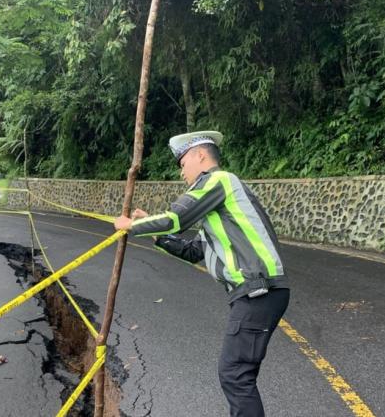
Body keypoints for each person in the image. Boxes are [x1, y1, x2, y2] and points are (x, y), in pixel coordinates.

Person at [113, 131, 289, 417]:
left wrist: (129, 226)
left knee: (235, 375)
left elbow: (176, 219)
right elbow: (193, 250)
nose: (181, 171)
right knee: (237, 374)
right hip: (259, 292)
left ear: (200, 155)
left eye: (182, 163)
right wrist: (154, 233)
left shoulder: (218, 181)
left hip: (259, 290)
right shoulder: (218, 207)